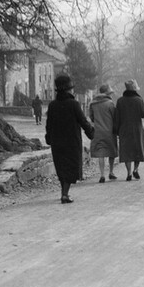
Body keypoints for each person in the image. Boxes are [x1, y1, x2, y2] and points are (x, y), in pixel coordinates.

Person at [44, 74, 94, 204]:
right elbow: (83, 121)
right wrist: (91, 133)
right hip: (71, 141)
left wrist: (48, 138)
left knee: (61, 167)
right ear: (68, 89)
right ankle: (64, 194)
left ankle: (64, 192)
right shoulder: (74, 104)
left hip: (57, 141)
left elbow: (49, 124)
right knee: (71, 167)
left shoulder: (52, 105)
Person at [114, 79, 144, 181]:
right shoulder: (138, 100)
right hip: (137, 128)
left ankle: (128, 173)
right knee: (137, 150)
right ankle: (135, 169)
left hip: (124, 129)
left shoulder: (120, 101)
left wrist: (116, 130)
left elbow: (117, 116)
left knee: (127, 151)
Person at [88, 83, 118, 183]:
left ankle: (102, 175)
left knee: (101, 153)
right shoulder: (110, 103)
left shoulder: (93, 103)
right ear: (106, 93)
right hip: (109, 131)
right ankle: (111, 172)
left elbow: (91, 117)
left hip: (98, 131)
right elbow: (115, 117)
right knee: (111, 152)